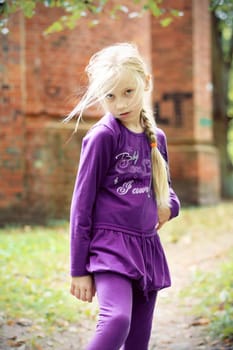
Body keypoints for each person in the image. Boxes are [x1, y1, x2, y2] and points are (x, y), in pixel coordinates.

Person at [66, 42, 180, 350]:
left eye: (128, 92)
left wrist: (169, 205)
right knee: (116, 319)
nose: (119, 104)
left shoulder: (157, 138)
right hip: (110, 248)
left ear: (147, 82)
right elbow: (81, 205)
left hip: (146, 249)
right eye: (110, 96)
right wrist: (78, 269)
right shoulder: (103, 137)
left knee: (138, 341)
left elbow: (163, 186)